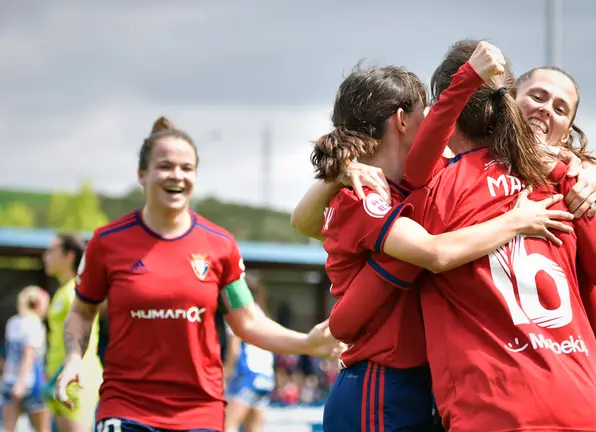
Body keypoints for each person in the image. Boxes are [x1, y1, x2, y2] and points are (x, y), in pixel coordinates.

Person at [311, 52, 579, 432]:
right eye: (426, 111)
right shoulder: (364, 196)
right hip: (379, 384)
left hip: (420, 386)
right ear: (402, 120)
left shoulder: (415, 186)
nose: (434, 121)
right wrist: (516, 221)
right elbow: (435, 253)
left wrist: (585, 170)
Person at [53, 116, 345, 432]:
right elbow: (82, 312)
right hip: (126, 409)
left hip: (199, 413)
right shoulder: (107, 243)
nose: (177, 175)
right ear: (142, 174)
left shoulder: (220, 246)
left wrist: (306, 342)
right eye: (165, 166)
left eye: (187, 168)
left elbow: (247, 321)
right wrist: (74, 358)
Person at [43, 233, 101, 432]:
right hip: (58, 378)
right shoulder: (63, 291)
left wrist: (72, 365)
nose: (46, 256)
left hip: (76, 379)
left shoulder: (77, 292)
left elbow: (85, 334)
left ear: (69, 256)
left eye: (52, 251)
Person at [223, 274, 275, 432]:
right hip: (266, 376)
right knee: (254, 428)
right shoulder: (261, 313)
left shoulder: (236, 313)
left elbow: (234, 350)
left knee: (229, 425)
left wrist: (226, 373)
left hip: (247, 374)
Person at [2, 285, 50, 432]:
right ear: (37, 305)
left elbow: (9, 353)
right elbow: (29, 355)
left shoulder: (13, 321)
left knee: (8, 428)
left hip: (9, 380)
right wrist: (21, 382)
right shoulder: (34, 324)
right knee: (42, 428)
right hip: (30, 383)